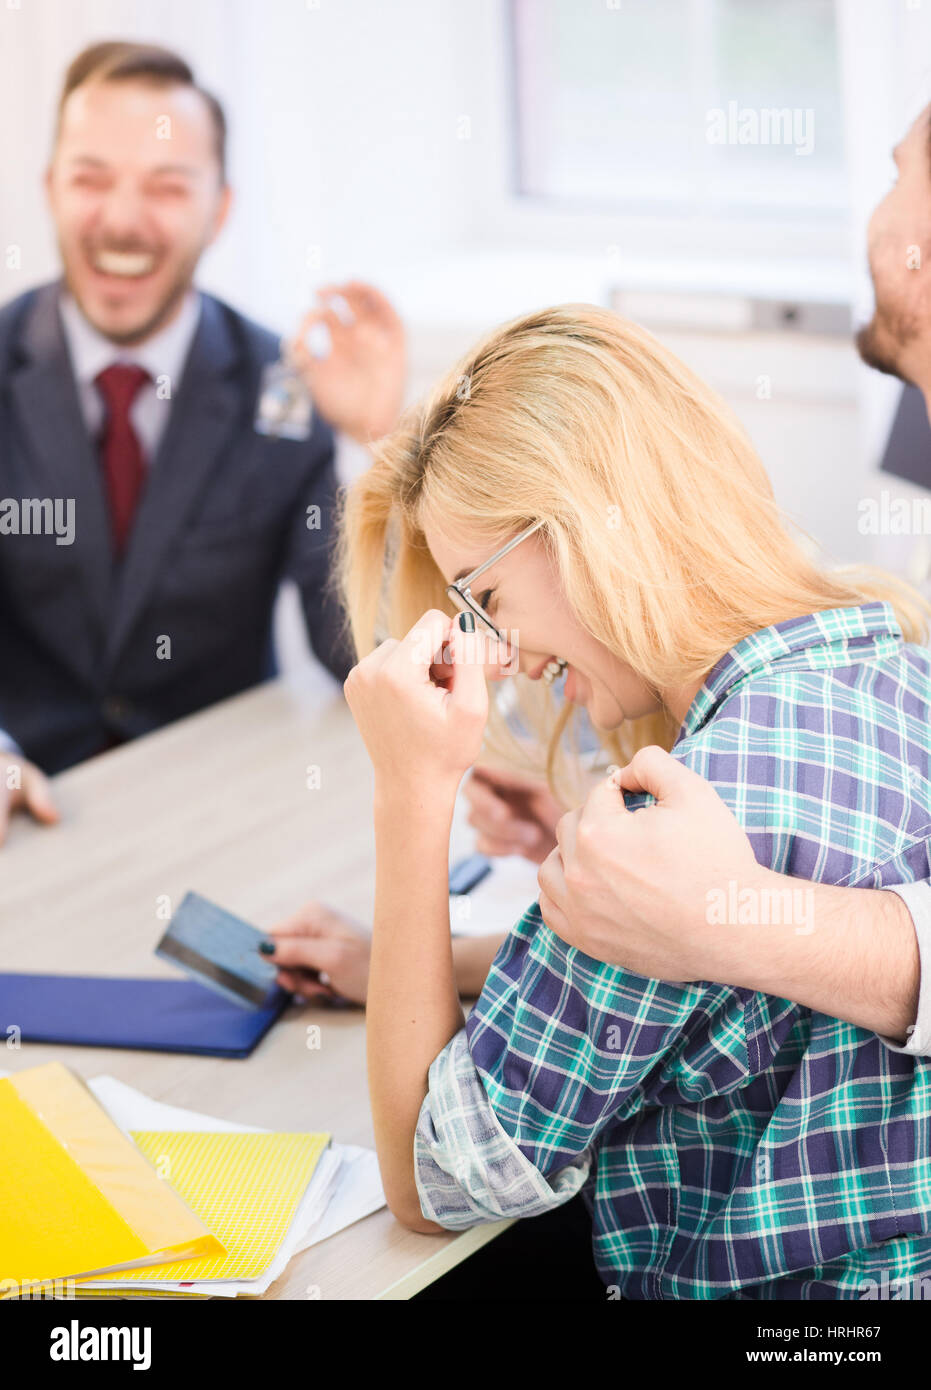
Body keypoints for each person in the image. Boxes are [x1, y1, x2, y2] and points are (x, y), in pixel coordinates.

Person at [266, 104, 931, 1054]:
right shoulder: (872, 661)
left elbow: (432, 1182)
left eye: (899, 173)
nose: (874, 219)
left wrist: (721, 913)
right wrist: (595, 906)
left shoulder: (742, 761)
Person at [339, 303, 931, 1298]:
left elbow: (432, 1173)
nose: (509, 652)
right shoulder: (899, 671)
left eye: (484, 600)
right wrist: (431, 958)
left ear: (579, 532)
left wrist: (409, 796)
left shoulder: (680, 816)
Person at [0, 40, 406, 840]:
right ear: (50, 191)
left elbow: (363, 653)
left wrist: (376, 444)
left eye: (166, 186)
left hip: (217, 814)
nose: (121, 220)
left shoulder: (283, 386)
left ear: (218, 209)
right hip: (25, 816)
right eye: (90, 179)